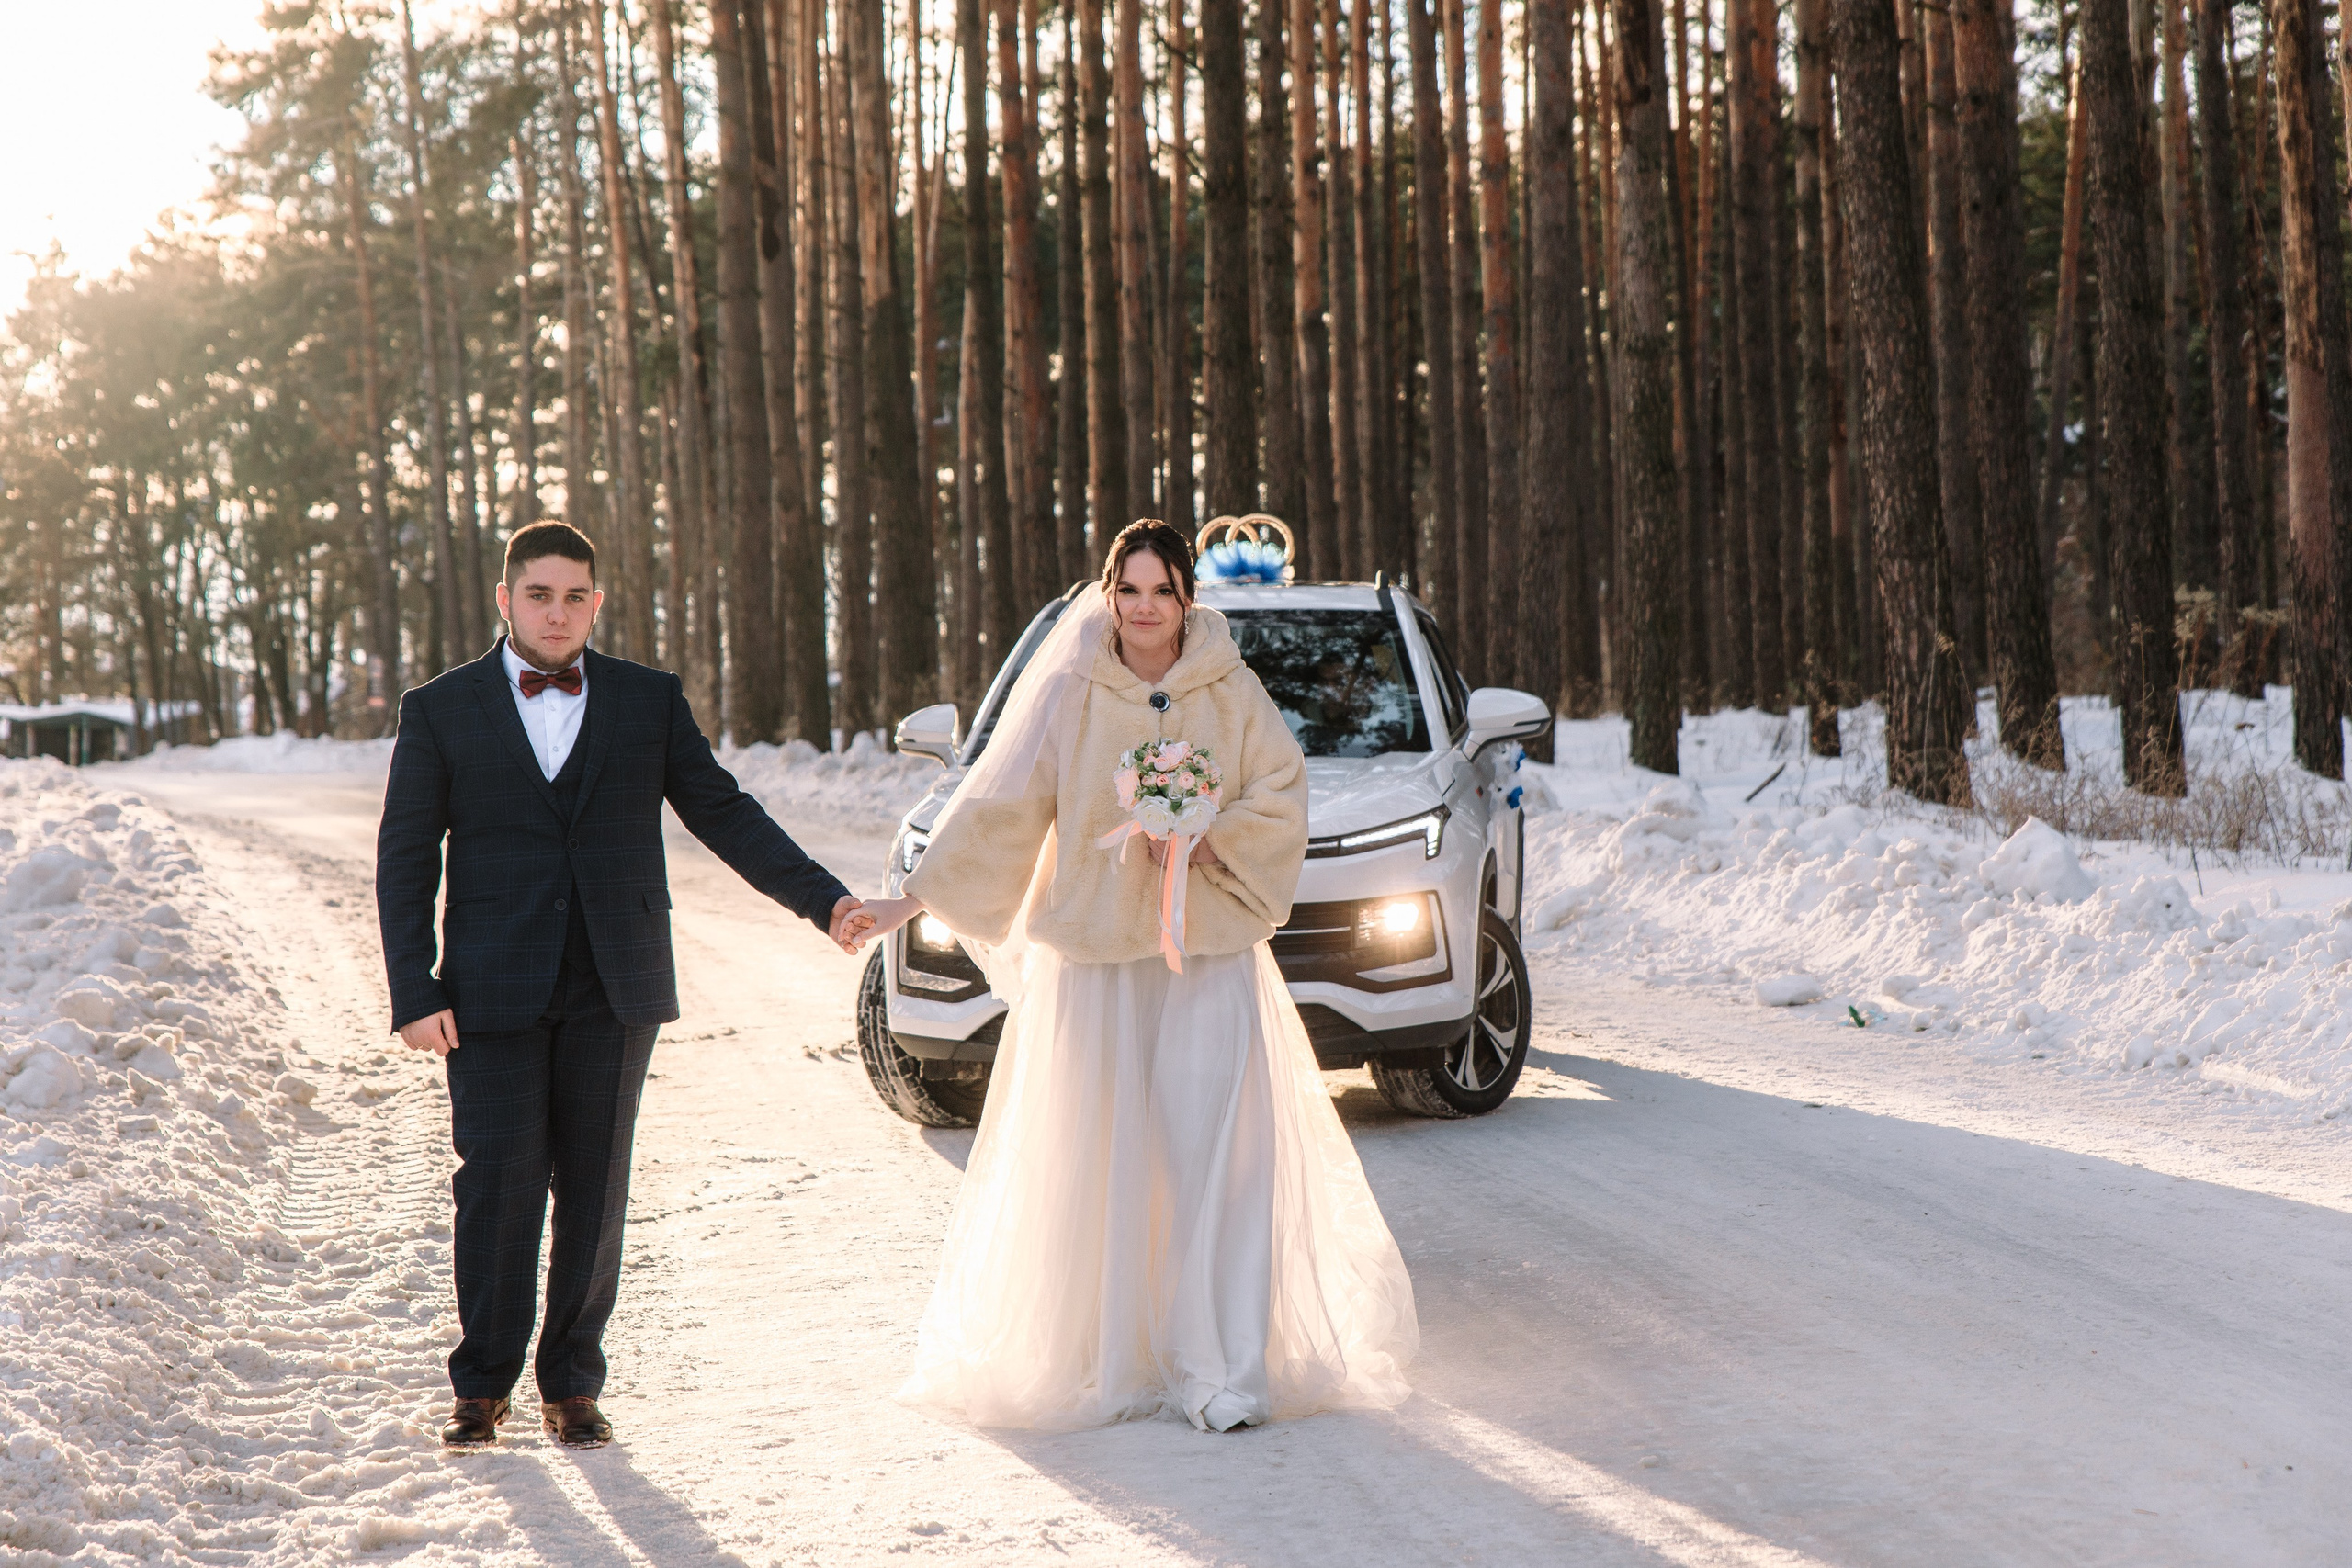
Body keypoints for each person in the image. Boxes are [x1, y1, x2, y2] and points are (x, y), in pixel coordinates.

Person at [854, 520, 1418, 1432]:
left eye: (1162, 591)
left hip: (1208, 959)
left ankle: (1223, 1368)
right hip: (1097, 968)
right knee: (1104, 1159)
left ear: (1187, 598)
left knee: (1218, 1157)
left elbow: (1281, 794)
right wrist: (909, 902)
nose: (1144, 608)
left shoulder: (1231, 688)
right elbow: (1002, 806)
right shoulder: (1072, 688)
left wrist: (1205, 841)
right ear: (1109, 593)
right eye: (1129, 589)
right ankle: (1114, 1354)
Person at [376, 520, 873, 1450]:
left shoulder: (648, 701)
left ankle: (572, 1382)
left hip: (616, 978)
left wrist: (826, 901)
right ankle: (480, 1383)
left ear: (597, 604)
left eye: (575, 597)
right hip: (488, 984)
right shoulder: (440, 709)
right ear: (506, 600)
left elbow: (725, 814)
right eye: (538, 595)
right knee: (497, 1183)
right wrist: (415, 986)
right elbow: (405, 854)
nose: (556, 613)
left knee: (596, 1185)